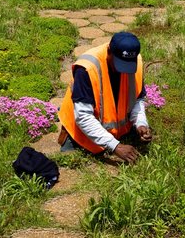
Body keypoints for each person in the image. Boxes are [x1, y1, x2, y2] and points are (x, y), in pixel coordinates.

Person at [58, 31, 152, 164]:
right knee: (72, 154)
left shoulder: (134, 62)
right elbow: (83, 116)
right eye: (118, 64)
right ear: (109, 51)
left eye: (127, 66)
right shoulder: (87, 69)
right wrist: (115, 146)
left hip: (118, 130)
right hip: (82, 131)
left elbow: (137, 99)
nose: (123, 71)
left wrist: (141, 122)